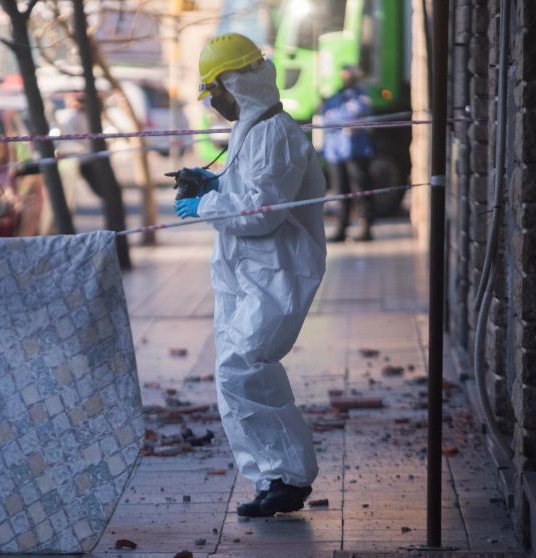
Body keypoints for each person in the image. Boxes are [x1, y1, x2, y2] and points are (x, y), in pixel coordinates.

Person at [173, 33, 327, 517]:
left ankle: (290, 476)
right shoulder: (252, 127)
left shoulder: (275, 132)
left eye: (214, 90)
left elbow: (262, 213)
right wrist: (213, 183)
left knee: (245, 368)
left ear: (235, 83)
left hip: (279, 271)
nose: (214, 102)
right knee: (234, 374)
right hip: (247, 272)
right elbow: (248, 189)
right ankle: (271, 477)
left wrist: (206, 203)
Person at [320, 65, 375, 241]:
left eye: (348, 75)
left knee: (361, 188)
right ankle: (341, 226)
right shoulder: (336, 96)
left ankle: (365, 226)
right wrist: (339, 117)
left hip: (356, 150)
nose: (345, 78)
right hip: (336, 151)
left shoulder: (361, 95)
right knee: (340, 190)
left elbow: (355, 114)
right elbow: (326, 116)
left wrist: (337, 117)